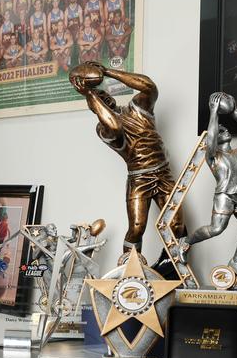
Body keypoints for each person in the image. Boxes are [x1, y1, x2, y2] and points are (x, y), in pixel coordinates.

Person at [69, 61, 187, 254]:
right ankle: (128, 268)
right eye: (98, 99)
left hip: (164, 174)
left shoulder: (137, 109)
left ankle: (177, 270)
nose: (102, 97)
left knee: (177, 225)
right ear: (95, 108)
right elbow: (115, 126)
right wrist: (89, 93)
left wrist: (107, 72)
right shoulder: (103, 129)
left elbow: (149, 87)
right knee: (137, 228)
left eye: (103, 93)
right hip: (139, 179)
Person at [180, 92, 237, 279]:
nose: (223, 130)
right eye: (219, 130)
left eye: (224, 128)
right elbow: (209, 141)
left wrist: (233, 111)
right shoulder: (214, 157)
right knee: (216, 229)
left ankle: (236, 261)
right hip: (225, 197)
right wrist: (214, 113)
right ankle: (186, 242)